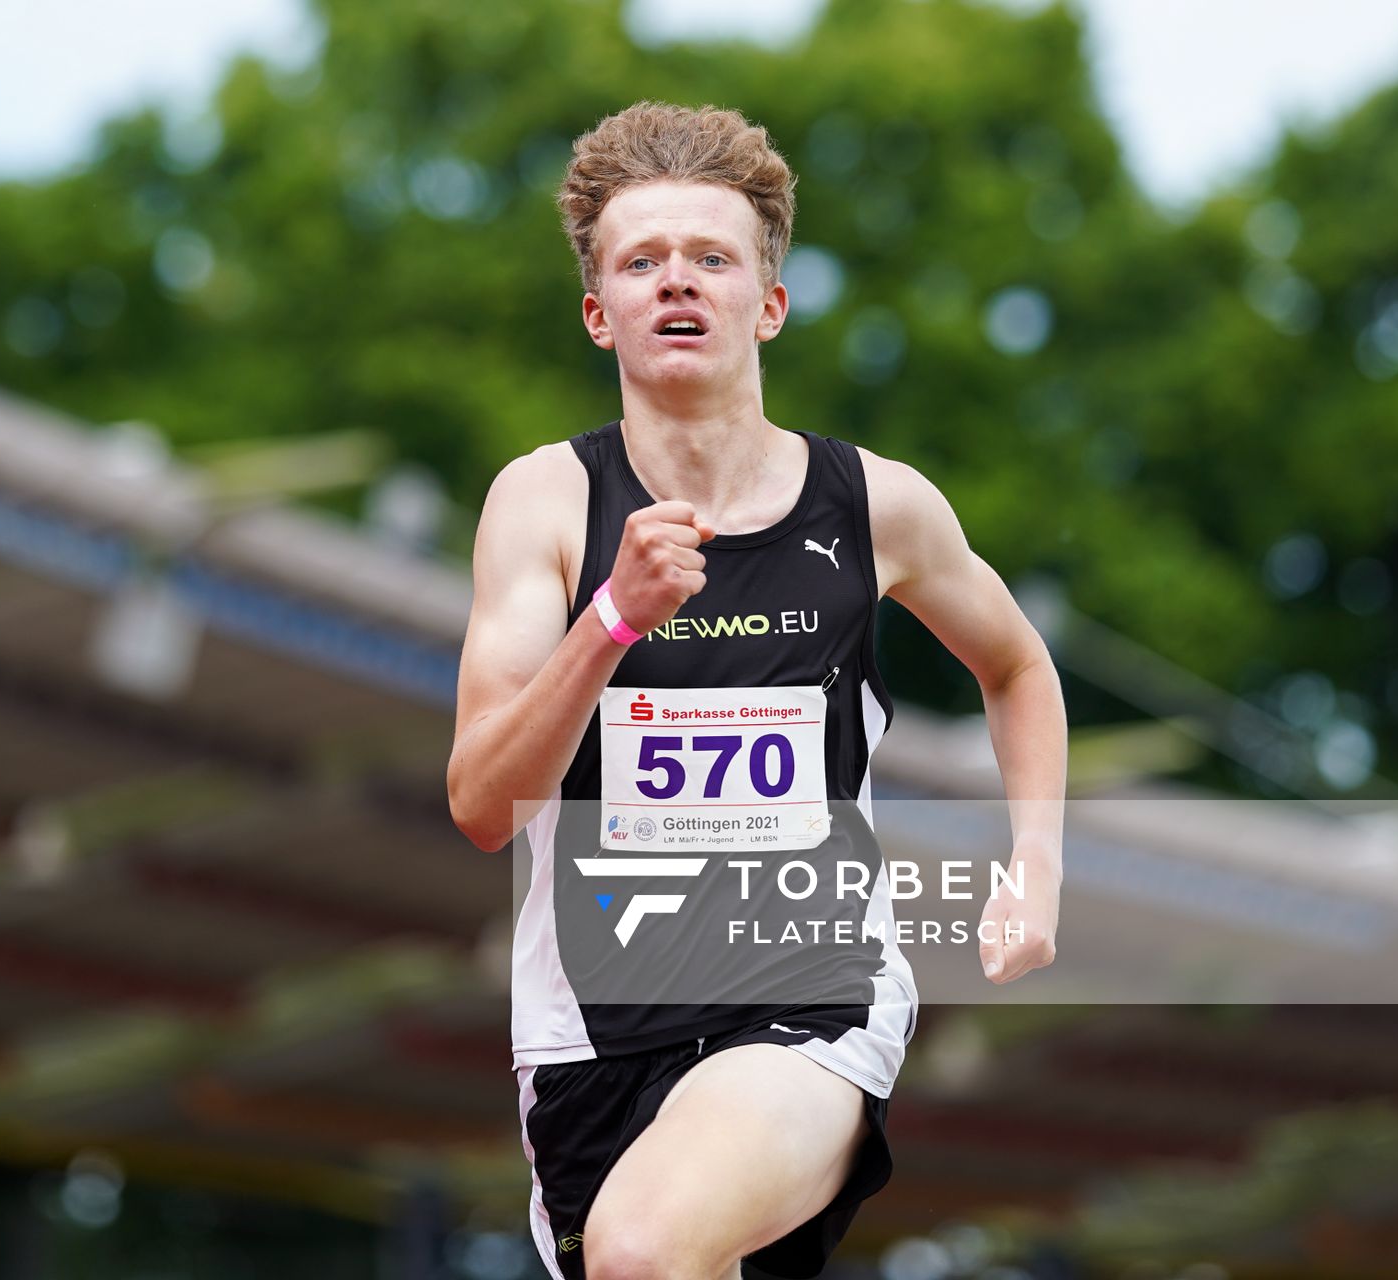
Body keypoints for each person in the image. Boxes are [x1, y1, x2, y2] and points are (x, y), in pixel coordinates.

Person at [447, 101, 1067, 1280]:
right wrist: (612, 621)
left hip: (811, 988)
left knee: (645, 1242)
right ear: (600, 313)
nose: (677, 282)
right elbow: (482, 800)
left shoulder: (875, 504)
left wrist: (1035, 863)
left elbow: (1019, 662)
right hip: (590, 1033)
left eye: (711, 258)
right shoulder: (541, 506)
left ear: (766, 304)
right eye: (642, 262)